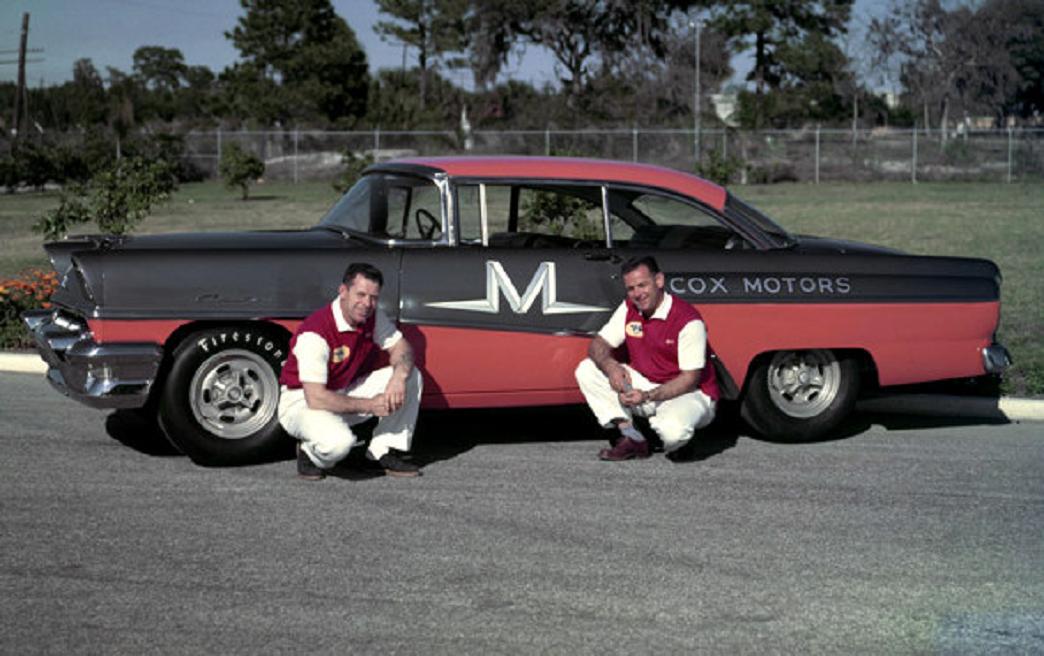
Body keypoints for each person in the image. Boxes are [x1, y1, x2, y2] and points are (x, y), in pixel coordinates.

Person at [278, 262, 424, 480]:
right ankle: (309, 452)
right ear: (343, 291)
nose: (367, 303)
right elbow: (316, 398)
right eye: (361, 294)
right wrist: (370, 405)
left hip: (343, 390)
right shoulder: (315, 333)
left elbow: (401, 347)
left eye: (373, 297)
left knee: (411, 375)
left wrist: (398, 378)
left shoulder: (371, 316)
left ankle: (383, 451)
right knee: (338, 444)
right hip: (302, 401)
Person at [575, 255, 719, 461]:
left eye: (643, 285)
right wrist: (611, 367)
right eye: (631, 288)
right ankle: (632, 437)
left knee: (673, 433)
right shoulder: (629, 308)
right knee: (587, 369)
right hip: (645, 387)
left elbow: (690, 379)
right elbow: (598, 344)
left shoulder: (688, 320)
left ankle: (679, 438)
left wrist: (647, 396)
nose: (637, 294)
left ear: (659, 281)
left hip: (688, 393)